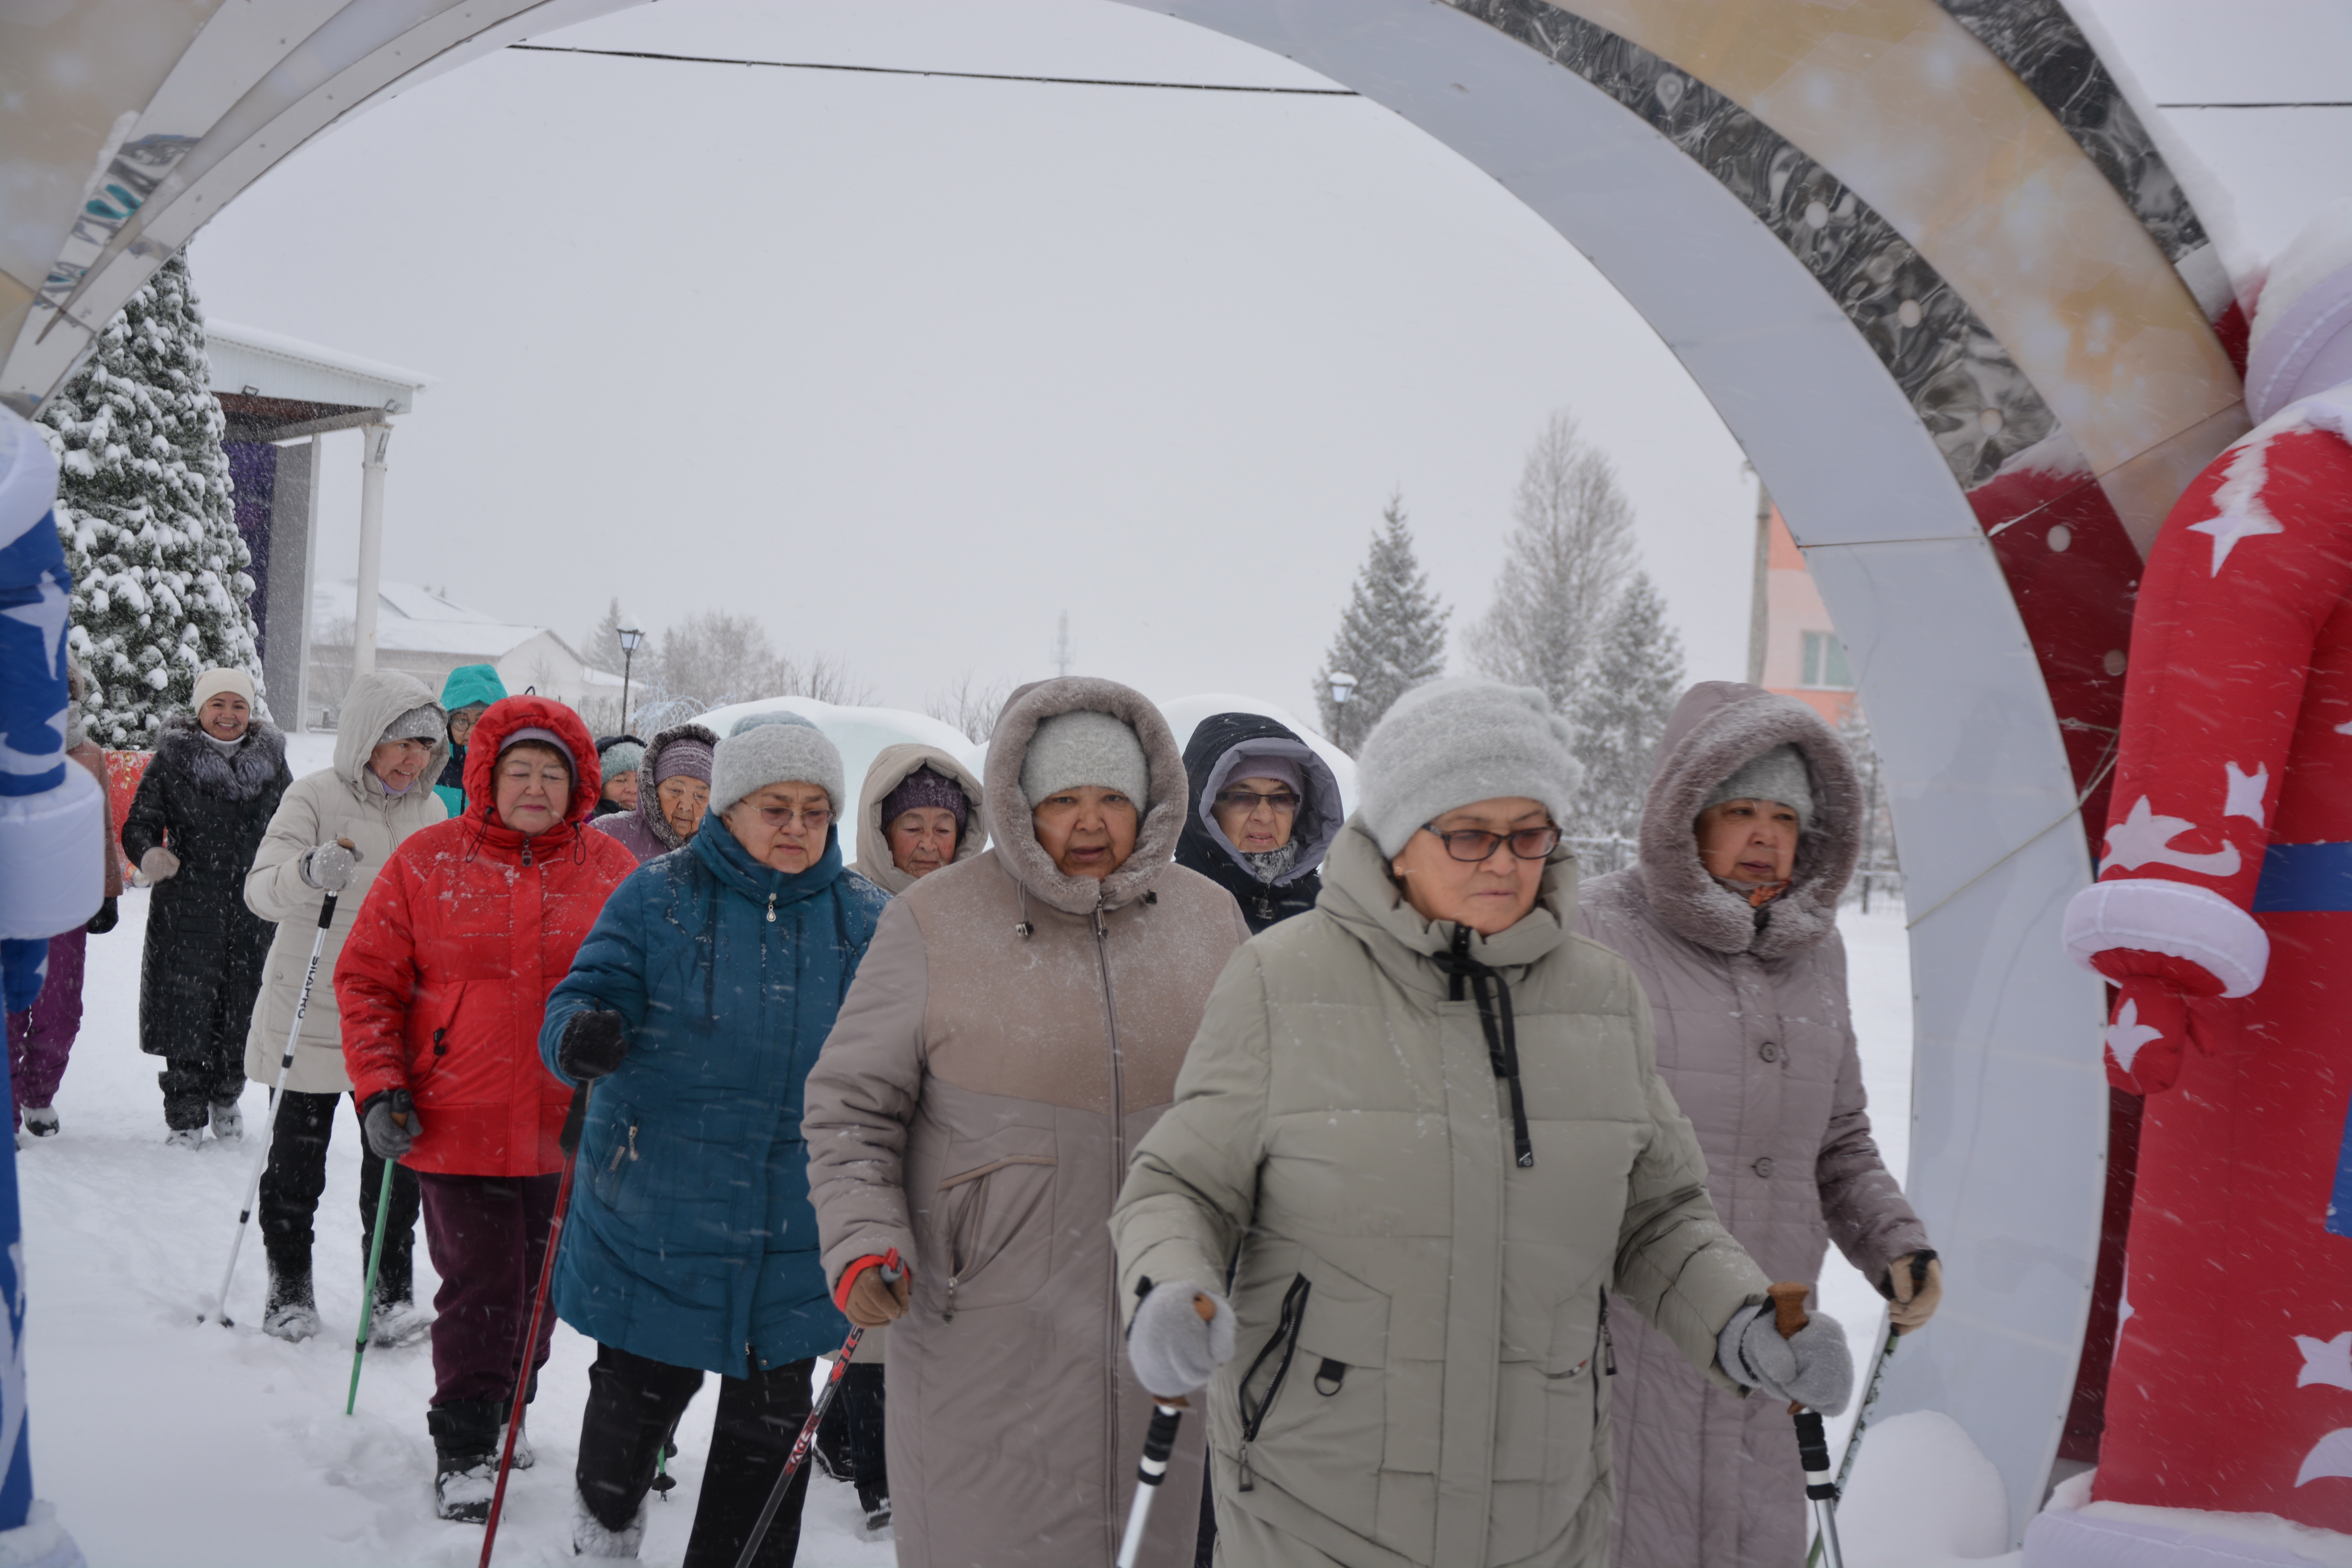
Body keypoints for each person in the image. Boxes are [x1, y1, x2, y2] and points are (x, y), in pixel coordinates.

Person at [1105, 679, 1850, 1568]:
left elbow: (1658, 1216)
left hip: (1541, 1503)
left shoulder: (1601, 994)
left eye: (1528, 833)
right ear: (1397, 838)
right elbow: (1181, 1187)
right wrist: (1167, 1288)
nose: (1503, 862)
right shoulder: (1282, 979)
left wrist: (1745, 1315)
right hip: (1316, 1496)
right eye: (1469, 833)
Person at [804, 677, 1249, 1568]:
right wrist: (862, 1239)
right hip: (986, 1330)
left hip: (1164, 1317)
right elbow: (853, 1104)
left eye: (1112, 799)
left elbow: (1256, 1108)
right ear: (1019, 803)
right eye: (1063, 800)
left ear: (1151, 800)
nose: (1090, 824)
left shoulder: (1209, 920)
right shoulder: (936, 919)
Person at [1570, 682, 1935, 1568]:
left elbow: (1838, 1137)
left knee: (1746, 1533)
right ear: (1684, 815)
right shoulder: (1594, 935)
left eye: (1785, 815)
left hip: (1777, 1319)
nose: (1766, 836)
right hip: (1628, 1331)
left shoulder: (1819, 952)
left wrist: (1892, 1239)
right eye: (1740, 810)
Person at [543, 718, 889, 1564]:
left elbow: (903, 1056)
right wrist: (581, 1033)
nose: (798, 827)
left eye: (816, 809)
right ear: (730, 808)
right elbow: (580, 994)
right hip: (654, 1218)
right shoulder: (657, 894)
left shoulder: (866, 917)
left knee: (766, 1448)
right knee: (628, 1417)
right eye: (777, 807)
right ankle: (603, 1540)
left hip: (794, 1232)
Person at [336, 696, 635, 1523]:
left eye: (553, 773)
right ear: (487, 776)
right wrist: (381, 1085)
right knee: (480, 1284)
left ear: (578, 785)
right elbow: (368, 981)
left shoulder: (613, 871)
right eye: (519, 771)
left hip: (570, 1122)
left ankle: (512, 1403)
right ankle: (465, 1443)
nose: (535, 786)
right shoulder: (427, 860)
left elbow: (651, 989)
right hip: (454, 1116)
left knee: (541, 1288)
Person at [813, 740, 989, 1533]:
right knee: (872, 1300)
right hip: (871, 1126)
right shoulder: (851, 905)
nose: (927, 841)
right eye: (910, 824)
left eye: (942, 827)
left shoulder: (978, 911)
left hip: (953, 1133)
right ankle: (875, 1467)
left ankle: (848, 1437)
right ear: (881, 832)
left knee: (920, 1294)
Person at [243, 670, 445, 1344]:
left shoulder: (433, 813)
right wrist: (308, 873)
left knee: (393, 1170)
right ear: (366, 738)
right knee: (297, 1166)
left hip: (393, 1017)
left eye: (425, 744)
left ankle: (390, 1299)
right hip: (310, 1006)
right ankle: (289, 1292)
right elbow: (260, 893)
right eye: (401, 742)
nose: (414, 758)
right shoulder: (313, 797)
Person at [121, 667, 291, 1146]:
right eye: (218, 704)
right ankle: (185, 1112)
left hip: (252, 905)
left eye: (238, 705)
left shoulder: (272, 764)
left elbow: (295, 822)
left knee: (243, 1005)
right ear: (200, 710)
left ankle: (226, 1093)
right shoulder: (171, 762)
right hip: (187, 905)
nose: (228, 714)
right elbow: (140, 823)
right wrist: (150, 853)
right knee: (186, 1007)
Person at [8, 661, 123, 1140]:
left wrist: (107, 892)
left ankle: (38, 1094)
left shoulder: (88, 755)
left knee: (61, 1014)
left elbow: (100, 828)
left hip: (65, 906)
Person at [1173, 711, 1343, 935]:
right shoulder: (1163, 904)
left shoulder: (1332, 912)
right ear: (1204, 809)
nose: (1264, 816)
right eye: (1242, 798)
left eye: (1280, 798)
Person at [591, 722, 716, 865]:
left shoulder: (724, 850)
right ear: (652, 789)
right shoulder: (606, 835)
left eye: (700, 796)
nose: (686, 807)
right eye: (675, 790)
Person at [430, 663, 506, 818]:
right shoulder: (429, 769)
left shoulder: (510, 770)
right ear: (447, 725)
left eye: (483, 721)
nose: (473, 731)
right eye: (461, 720)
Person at [592, 735, 644, 819]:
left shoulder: (659, 829)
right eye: (621, 780)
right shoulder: (580, 827)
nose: (633, 790)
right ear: (599, 786)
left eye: (640, 781)